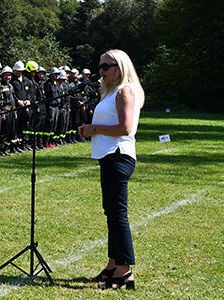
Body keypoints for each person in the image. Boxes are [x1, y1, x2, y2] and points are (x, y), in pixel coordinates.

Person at [79, 49, 143, 290]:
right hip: (109, 156)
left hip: (118, 156)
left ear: (120, 67)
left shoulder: (124, 90)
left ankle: (124, 271)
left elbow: (125, 128)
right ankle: (112, 264)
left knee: (118, 215)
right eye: (100, 67)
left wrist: (94, 129)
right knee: (111, 213)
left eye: (106, 66)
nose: (101, 71)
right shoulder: (112, 92)